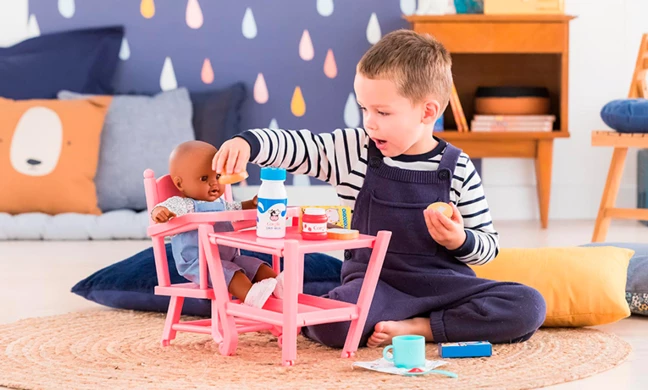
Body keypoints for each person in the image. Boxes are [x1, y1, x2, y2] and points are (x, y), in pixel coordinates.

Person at [212, 30, 546, 348]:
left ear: (427, 111)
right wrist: (249, 143)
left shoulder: (458, 168)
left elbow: (487, 247)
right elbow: (299, 146)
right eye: (364, 109)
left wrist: (459, 240)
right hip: (375, 288)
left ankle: (423, 327)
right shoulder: (353, 150)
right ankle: (359, 318)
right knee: (336, 323)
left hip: (445, 285)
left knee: (528, 305)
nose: (369, 122)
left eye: (383, 112)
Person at [152, 140, 283, 308]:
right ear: (180, 184)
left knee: (256, 265)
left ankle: (278, 286)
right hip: (199, 263)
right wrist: (161, 212)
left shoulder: (222, 203)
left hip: (228, 257)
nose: (214, 183)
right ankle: (251, 296)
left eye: (218, 176)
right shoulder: (183, 204)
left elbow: (236, 208)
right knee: (230, 273)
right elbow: (163, 209)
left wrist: (252, 203)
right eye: (204, 178)